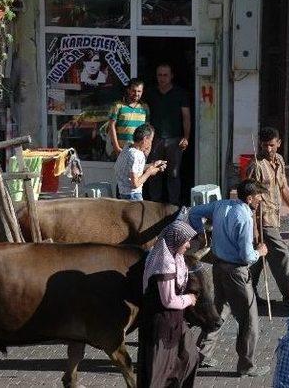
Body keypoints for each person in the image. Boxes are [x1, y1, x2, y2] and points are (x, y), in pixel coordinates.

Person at [188, 180, 270, 377]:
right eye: (259, 196)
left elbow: (194, 212)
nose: (261, 200)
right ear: (249, 198)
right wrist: (260, 252)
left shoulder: (222, 204)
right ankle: (246, 366)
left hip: (219, 267)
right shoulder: (245, 218)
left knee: (219, 310)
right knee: (249, 321)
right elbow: (246, 256)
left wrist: (201, 235)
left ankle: (200, 355)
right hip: (236, 273)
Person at [246, 127, 289, 311]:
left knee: (260, 257)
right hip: (261, 219)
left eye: (272, 145)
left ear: (279, 143)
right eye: (264, 146)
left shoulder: (279, 160)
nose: (268, 149)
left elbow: (284, 187)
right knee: (281, 254)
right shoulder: (255, 165)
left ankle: (248, 293)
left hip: (275, 217)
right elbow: (247, 197)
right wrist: (254, 228)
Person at [137, 220, 200, 388]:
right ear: (175, 240)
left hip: (175, 322)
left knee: (189, 358)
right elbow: (168, 300)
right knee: (159, 372)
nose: (188, 245)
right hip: (161, 325)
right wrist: (189, 299)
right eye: (185, 240)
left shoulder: (176, 257)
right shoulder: (164, 263)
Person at [145, 64, 191, 205]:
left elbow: (186, 117)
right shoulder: (150, 93)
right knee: (154, 172)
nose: (162, 78)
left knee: (174, 174)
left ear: (172, 76)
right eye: (160, 75)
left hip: (175, 139)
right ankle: (154, 204)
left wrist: (186, 137)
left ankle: (173, 206)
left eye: (165, 75)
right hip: (155, 139)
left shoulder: (180, 93)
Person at [114, 123, 166, 201]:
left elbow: (133, 170)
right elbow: (135, 184)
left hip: (121, 194)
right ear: (145, 139)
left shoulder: (127, 147)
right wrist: (149, 172)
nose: (151, 144)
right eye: (151, 140)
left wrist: (153, 165)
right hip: (133, 196)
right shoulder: (136, 155)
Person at [108, 78, 149, 157]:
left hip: (139, 151)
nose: (136, 93)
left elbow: (147, 130)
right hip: (122, 150)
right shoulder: (117, 106)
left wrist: (147, 148)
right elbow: (111, 126)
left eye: (139, 91)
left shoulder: (145, 107)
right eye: (133, 90)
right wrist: (116, 147)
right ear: (128, 90)